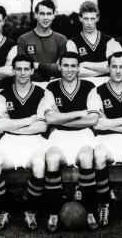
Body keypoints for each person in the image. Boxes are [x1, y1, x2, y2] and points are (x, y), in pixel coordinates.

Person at [0, 55, 48, 232]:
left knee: (39, 165)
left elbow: (43, 125)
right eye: (18, 69)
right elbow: (0, 124)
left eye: (26, 69)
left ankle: (29, 208)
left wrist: (13, 125)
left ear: (32, 70)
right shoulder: (3, 94)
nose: (22, 73)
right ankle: (4, 208)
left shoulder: (42, 93)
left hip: (35, 141)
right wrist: (29, 120)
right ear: (13, 70)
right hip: (9, 142)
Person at [42, 51, 101, 232]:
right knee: (51, 159)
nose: (69, 69)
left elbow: (92, 120)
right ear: (59, 67)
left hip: (83, 134)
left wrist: (62, 117)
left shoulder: (89, 86)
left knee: (85, 157)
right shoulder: (51, 87)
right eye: (65, 65)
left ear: (78, 68)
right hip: (59, 134)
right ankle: (53, 213)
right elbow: (50, 119)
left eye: (73, 66)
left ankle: (90, 211)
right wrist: (78, 113)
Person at [93, 51, 122, 227]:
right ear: (108, 68)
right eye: (114, 66)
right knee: (98, 154)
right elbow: (97, 125)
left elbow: (103, 122)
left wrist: (108, 123)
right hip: (104, 140)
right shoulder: (97, 91)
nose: (117, 70)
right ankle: (104, 204)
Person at [66, 1, 122, 79]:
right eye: (86, 19)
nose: (89, 23)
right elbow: (73, 70)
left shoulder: (109, 41)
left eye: (92, 19)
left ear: (97, 18)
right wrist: (106, 70)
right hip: (83, 86)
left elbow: (117, 66)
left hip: (106, 84)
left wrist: (84, 64)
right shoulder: (72, 42)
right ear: (80, 18)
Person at [17, 0, 67, 82]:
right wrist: (50, 73)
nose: (45, 17)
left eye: (49, 14)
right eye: (42, 14)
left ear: (53, 15)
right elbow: (23, 69)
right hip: (32, 86)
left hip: (56, 86)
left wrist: (38, 66)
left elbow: (64, 69)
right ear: (36, 15)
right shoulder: (23, 39)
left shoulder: (62, 39)